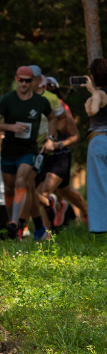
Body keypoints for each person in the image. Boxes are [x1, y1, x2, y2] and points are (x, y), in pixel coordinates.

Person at [0, 66, 57, 239]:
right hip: (9, 149)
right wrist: (10, 127)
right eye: (21, 80)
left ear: (33, 80)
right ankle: (13, 222)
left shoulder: (40, 102)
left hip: (29, 150)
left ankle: (15, 222)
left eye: (28, 80)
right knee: (9, 188)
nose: (24, 84)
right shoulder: (7, 100)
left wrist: (51, 138)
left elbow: (52, 117)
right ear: (16, 79)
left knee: (22, 179)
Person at [35, 81, 88, 231]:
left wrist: (58, 144)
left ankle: (47, 233)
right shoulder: (38, 108)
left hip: (60, 156)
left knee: (45, 192)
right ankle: (59, 206)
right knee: (57, 192)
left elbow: (75, 136)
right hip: (43, 156)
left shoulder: (62, 110)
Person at [84, 58, 107, 235]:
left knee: (98, 185)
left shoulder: (99, 94)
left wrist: (93, 92)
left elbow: (93, 111)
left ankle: (100, 227)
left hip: (100, 141)